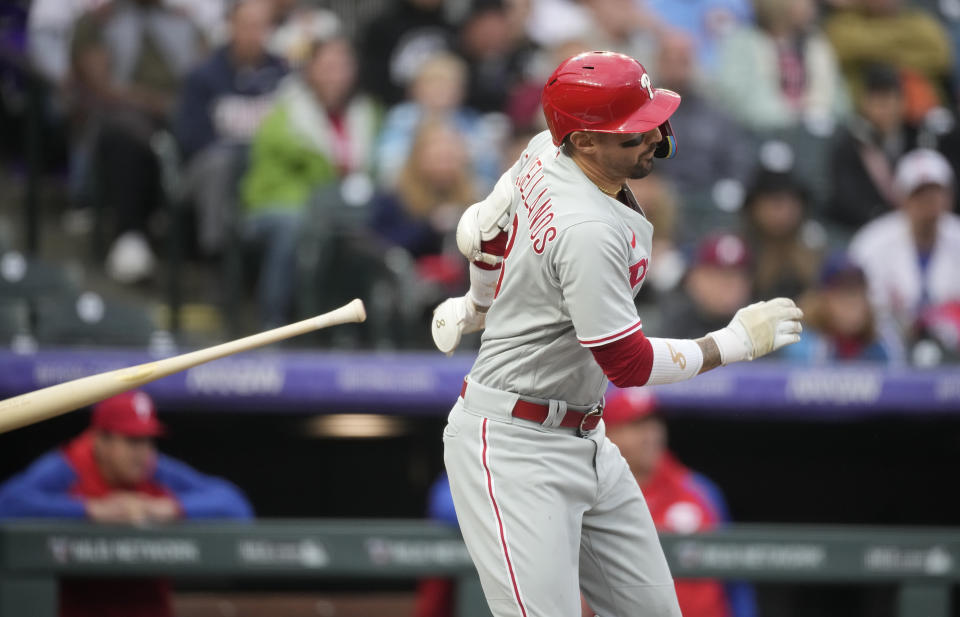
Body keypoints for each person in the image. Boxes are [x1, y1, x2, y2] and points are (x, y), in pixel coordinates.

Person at [430, 51, 802, 617]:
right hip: (513, 446)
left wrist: (477, 302)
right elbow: (627, 365)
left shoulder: (540, 149)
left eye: (651, 119)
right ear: (582, 141)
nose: (652, 136)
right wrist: (733, 343)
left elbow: (485, 227)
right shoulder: (587, 229)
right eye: (632, 132)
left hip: (586, 435)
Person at [0, 390, 253, 617]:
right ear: (100, 440)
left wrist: (170, 507)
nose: (142, 452)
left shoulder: (155, 469)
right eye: (132, 440)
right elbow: (7, 503)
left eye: (147, 440)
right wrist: (89, 509)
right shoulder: (70, 466)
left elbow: (235, 505)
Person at [241, 34, 379, 327]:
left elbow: (374, 170)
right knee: (297, 226)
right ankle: (274, 321)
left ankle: (361, 329)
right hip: (279, 204)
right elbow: (278, 175)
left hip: (341, 208)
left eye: (343, 66)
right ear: (309, 70)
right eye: (327, 66)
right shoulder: (284, 112)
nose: (335, 75)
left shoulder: (368, 113)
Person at [70, 0, 206, 283]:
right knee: (125, 135)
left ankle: (196, 242)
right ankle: (129, 236)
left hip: (180, 115)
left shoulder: (183, 21)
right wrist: (154, 102)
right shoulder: (98, 22)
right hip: (123, 115)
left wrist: (183, 106)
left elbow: (204, 74)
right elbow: (102, 87)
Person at [588, 388, 755, 617]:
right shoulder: (590, 497)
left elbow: (735, 576)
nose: (651, 435)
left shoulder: (698, 490)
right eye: (636, 425)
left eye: (654, 423)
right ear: (607, 434)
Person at [173, 0, 288, 257]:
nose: (252, 34)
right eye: (246, 25)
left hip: (264, 170)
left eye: (260, 26)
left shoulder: (282, 75)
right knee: (221, 163)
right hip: (206, 171)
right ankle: (216, 256)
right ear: (231, 26)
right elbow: (191, 141)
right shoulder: (203, 74)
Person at [849, 148, 960, 350]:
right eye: (919, 194)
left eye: (935, 192)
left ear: (949, 196)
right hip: (887, 343)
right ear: (901, 198)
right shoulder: (872, 241)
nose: (929, 202)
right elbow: (857, 306)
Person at [713, 0, 849, 132]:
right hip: (760, 135)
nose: (811, 5)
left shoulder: (816, 44)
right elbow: (736, 99)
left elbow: (840, 103)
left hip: (816, 136)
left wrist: (818, 112)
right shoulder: (742, 43)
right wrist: (791, 118)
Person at [824, 0, 953, 125]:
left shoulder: (919, 21)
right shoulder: (846, 22)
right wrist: (905, 44)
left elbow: (939, 56)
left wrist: (872, 52)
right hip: (861, 117)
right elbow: (841, 46)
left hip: (921, 117)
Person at [825, 63, 920, 232]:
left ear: (902, 102)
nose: (883, 109)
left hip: (916, 226)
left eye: (889, 100)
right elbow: (847, 199)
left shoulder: (918, 139)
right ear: (864, 103)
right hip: (870, 230)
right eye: (877, 101)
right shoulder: (849, 146)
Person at [782, 251, 901, 363]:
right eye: (841, 295)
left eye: (857, 294)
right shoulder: (800, 342)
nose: (851, 303)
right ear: (822, 301)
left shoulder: (881, 344)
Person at [741, 169, 821, 301]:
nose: (785, 212)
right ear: (754, 206)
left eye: (792, 203)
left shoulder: (813, 250)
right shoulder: (740, 251)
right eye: (776, 203)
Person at [658, 233, 755, 340]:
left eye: (736, 276)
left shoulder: (760, 325)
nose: (725, 285)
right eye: (714, 275)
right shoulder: (675, 324)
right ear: (693, 278)